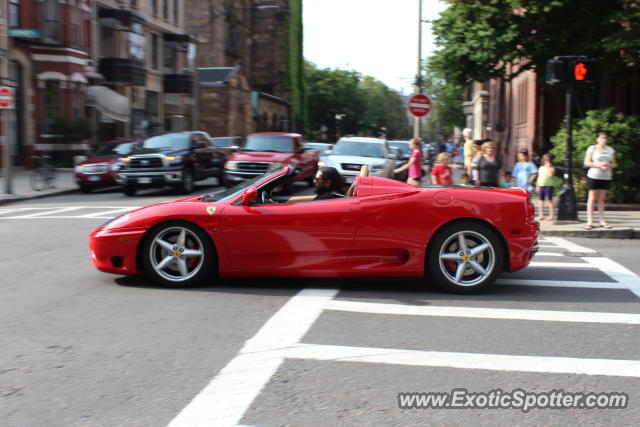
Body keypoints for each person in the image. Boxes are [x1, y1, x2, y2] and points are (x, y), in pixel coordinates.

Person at [583, 131, 617, 230]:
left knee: (601, 199)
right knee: (592, 198)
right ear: (597, 139)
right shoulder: (592, 148)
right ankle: (590, 221)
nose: (604, 140)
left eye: (605, 138)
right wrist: (599, 165)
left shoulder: (611, 150)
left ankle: (602, 220)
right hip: (594, 175)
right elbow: (587, 162)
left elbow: (615, 164)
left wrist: (609, 165)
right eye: (602, 138)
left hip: (606, 176)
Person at [535, 153, 556, 221]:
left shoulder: (552, 168)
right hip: (541, 185)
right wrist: (537, 185)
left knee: (549, 200)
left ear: (550, 161)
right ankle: (541, 215)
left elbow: (551, 175)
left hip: (548, 186)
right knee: (541, 201)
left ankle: (551, 215)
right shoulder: (541, 168)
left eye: (548, 160)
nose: (546, 161)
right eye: (545, 160)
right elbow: (539, 177)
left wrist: (548, 167)